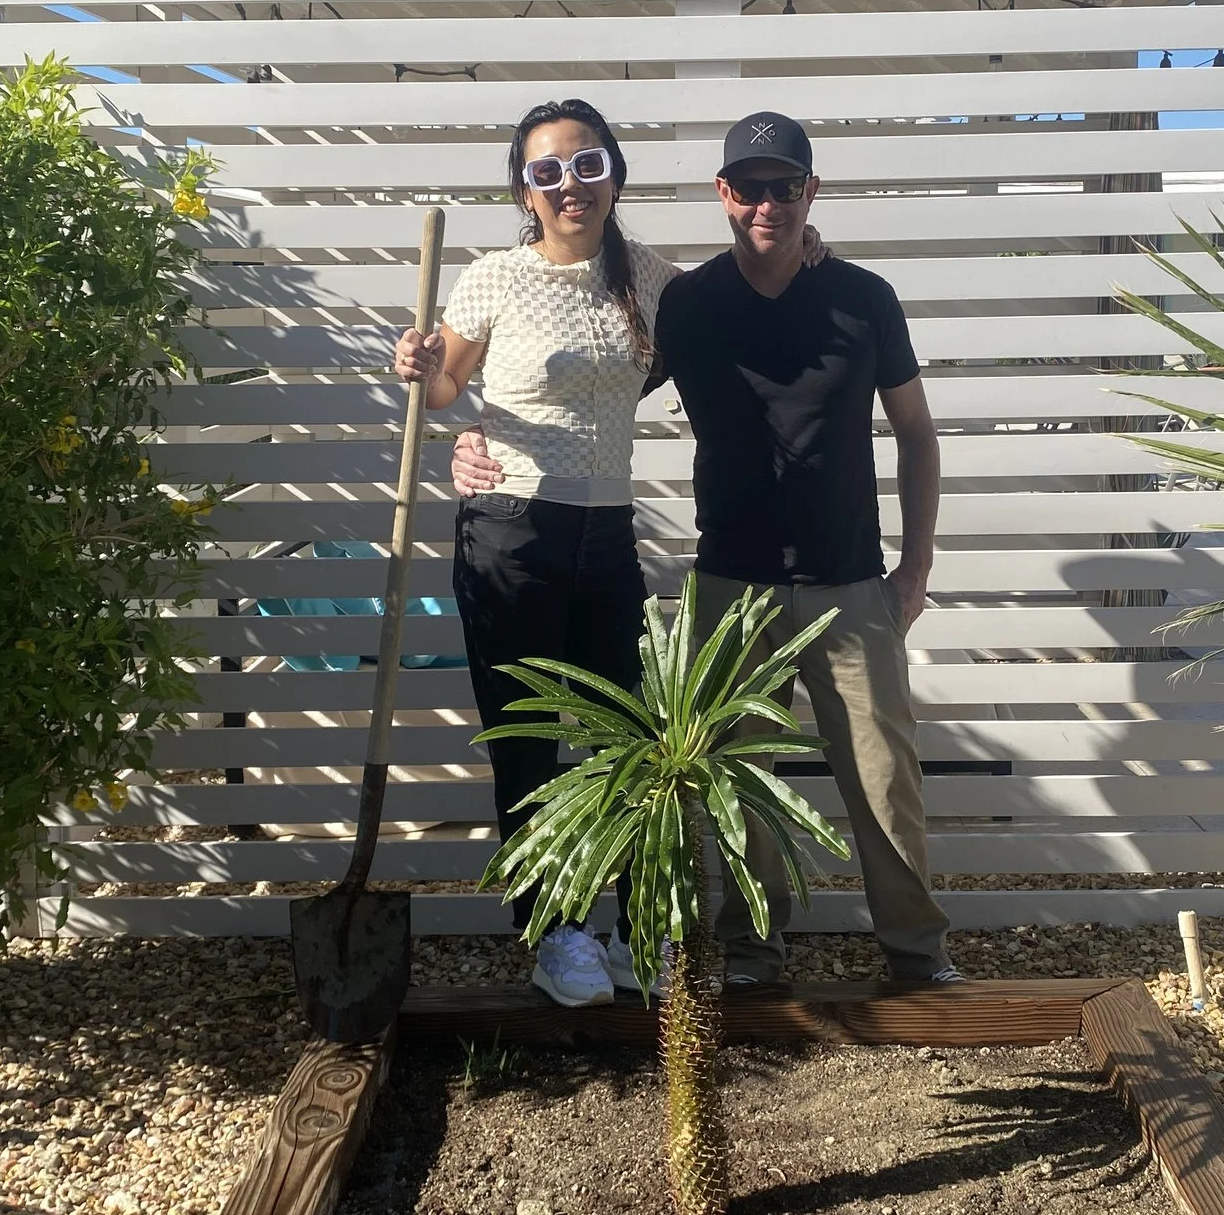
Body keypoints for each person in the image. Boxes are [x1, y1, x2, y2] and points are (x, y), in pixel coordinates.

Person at [453, 110, 958, 986]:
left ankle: (918, 956)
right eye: (752, 187)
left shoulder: (863, 296)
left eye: (787, 186)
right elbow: (591, 390)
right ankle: (754, 950)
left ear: (811, 191)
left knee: (884, 781)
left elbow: (917, 431)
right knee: (740, 789)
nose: (770, 203)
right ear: (724, 194)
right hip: (730, 581)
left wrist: (913, 571)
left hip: (850, 583)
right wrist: (475, 442)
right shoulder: (685, 301)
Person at [393, 100, 670, 1008]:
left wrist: (810, 239)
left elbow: (738, 310)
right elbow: (444, 391)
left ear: (615, 174)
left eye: (586, 165)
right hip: (511, 532)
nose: (569, 186)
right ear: (526, 189)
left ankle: (632, 928)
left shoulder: (657, 282)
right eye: (547, 172)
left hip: (607, 534)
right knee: (528, 740)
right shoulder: (495, 278)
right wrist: (418, 361)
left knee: (625, 740)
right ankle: (553, 931)